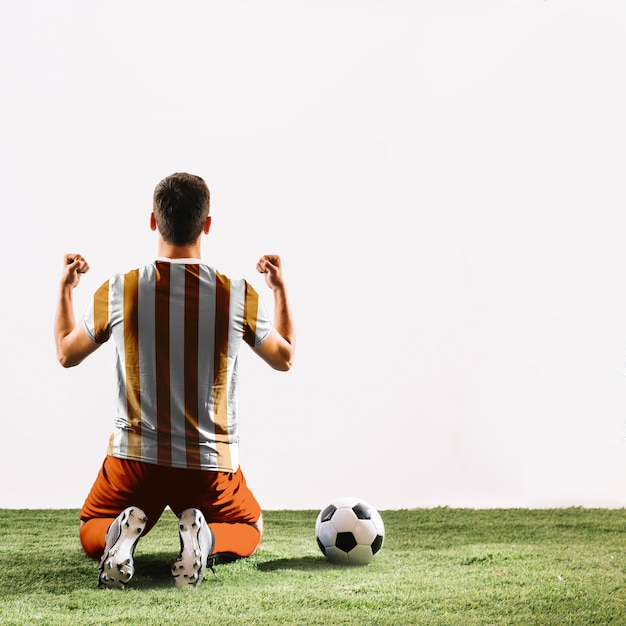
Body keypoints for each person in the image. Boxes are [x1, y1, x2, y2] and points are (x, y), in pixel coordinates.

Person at [54, 172, 296, 589]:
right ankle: (207, 536)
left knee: (91, 523)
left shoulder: (119, 288)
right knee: (251, 526)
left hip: (134, 460)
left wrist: (66, 289)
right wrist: (278, 289)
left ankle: (117, 535)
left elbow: (66, 353)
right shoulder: (238, 293)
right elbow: (285, 358)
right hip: (208, 465)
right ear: (207, 224)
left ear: (153, 221)